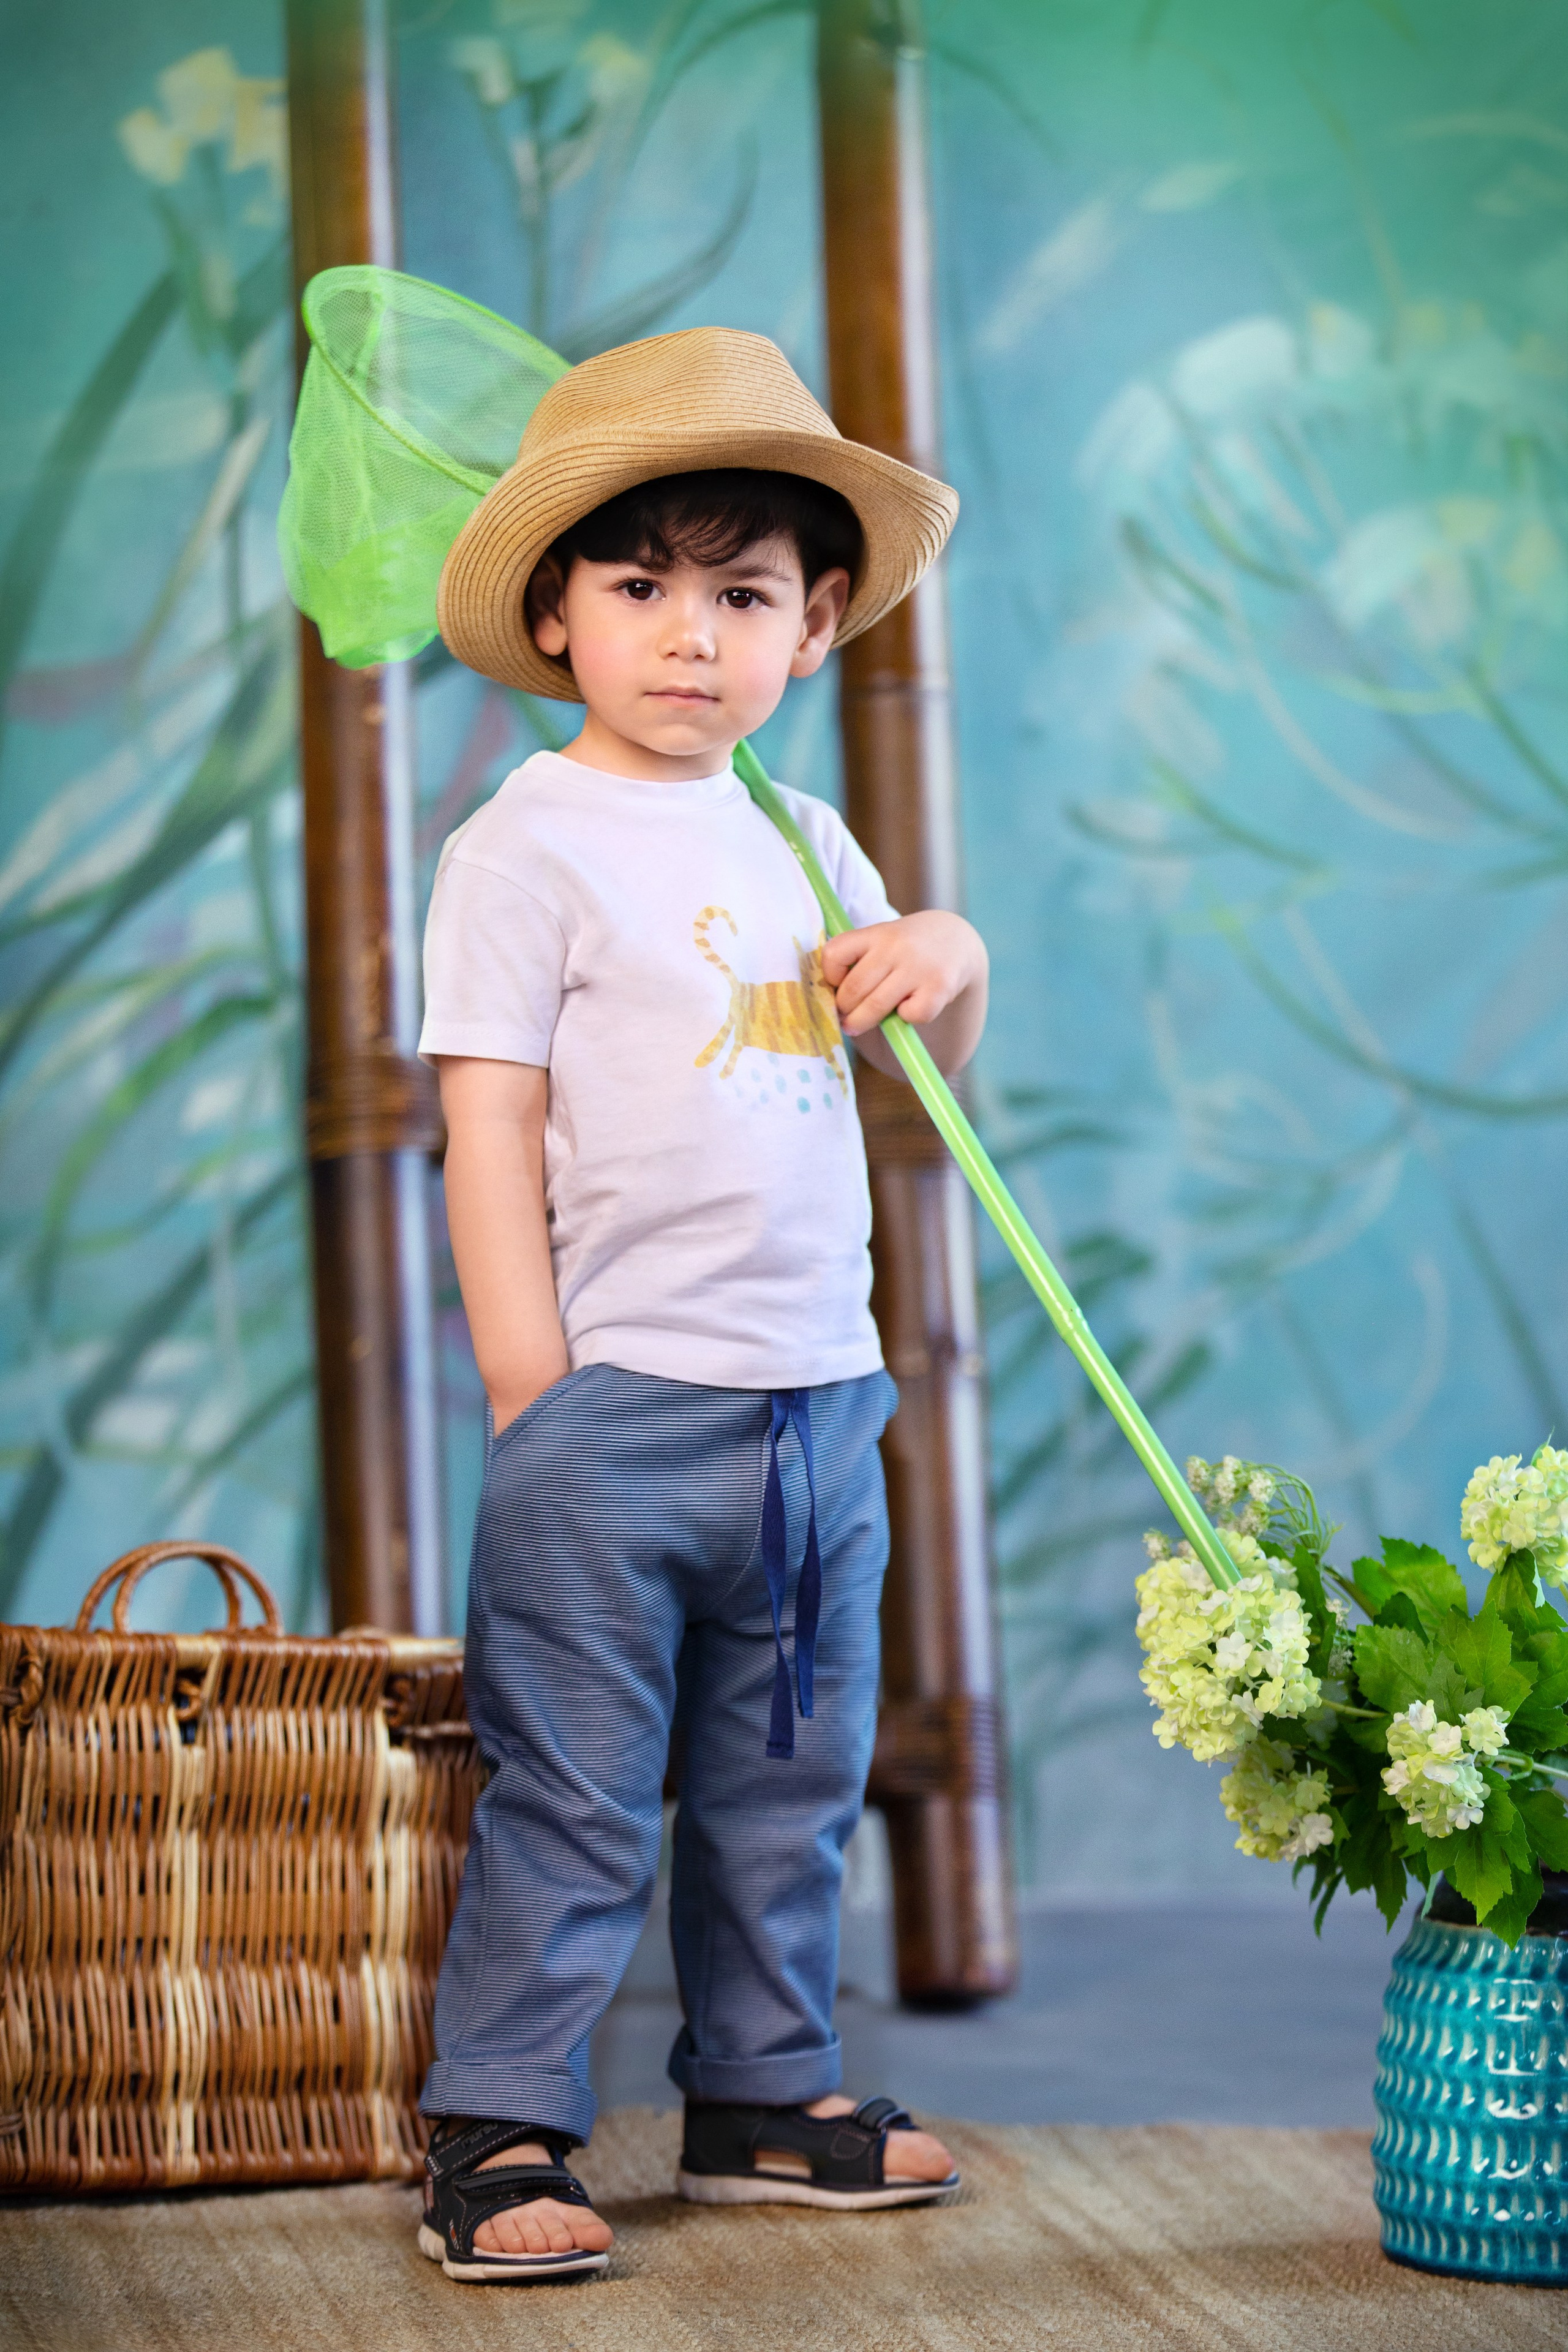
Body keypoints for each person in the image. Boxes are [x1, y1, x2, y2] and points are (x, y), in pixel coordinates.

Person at [415, 326, 987, 2283]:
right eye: (640, 587)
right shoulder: (522, 847)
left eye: (742, 595)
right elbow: (487, 1126)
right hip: (619, 1417)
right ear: (556, 617)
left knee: (786, 1784)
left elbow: (922, 1063)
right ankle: (499, 2119)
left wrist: (947, 952)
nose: (689, 635)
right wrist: (533, 1392)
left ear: (812, 627)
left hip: (820, 1411)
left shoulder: (805, 838)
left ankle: (762, 2088)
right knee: (578, 1792)